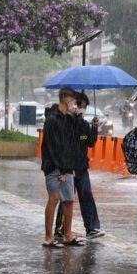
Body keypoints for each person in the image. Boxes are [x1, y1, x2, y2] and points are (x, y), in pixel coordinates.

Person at [54, 92, 105, 239]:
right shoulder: (65, 121)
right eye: (80, 106)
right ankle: (60, 229)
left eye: (84, 107)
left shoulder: (83, 123)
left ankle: (92, 228)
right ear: (73, 104)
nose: (81, 109)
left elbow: (90, 142)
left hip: (82, 167)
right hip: (68, 168)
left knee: (86, 196)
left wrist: (94, 127)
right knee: (67, 199)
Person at [41, 87, 85, 248]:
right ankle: (48, 237)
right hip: (54, 167)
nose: (75, 103)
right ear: (66, 99)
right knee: (54, 199)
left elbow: (80, 138)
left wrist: (78, 118)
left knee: (69, 201)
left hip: (67, 167)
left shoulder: (69, 119)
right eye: (73, 100)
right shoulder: (52, 119)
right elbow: (52, 146)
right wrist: (59, 169)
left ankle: (68, 235)